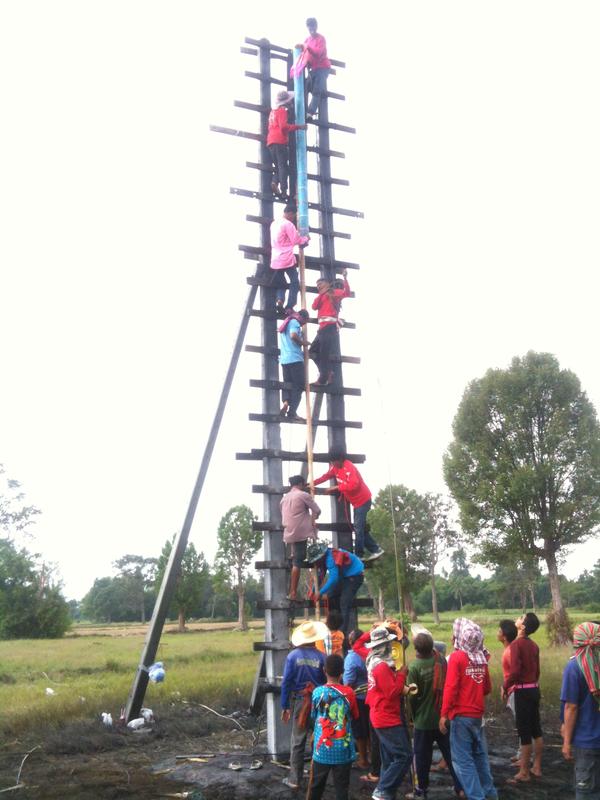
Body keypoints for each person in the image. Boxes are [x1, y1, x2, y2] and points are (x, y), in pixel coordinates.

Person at [439, 618, 497, 800]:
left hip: (461, 715)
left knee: (462, 761)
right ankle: (490, 793)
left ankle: (476, 796)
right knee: (480, 756)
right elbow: (487, 687)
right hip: (477, 715)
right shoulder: (481, 658)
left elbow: (450, 687)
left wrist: (444, 714)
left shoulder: (456, 658)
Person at [407, 631, 464, 800]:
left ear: (416, 649)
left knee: (422, 758)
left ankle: (421, 790)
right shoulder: (441, 661)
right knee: (451, 755)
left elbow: (412, 697)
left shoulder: (414, 667)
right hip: (443, 718)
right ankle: (461, 787)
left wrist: (412, 717)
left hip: (423, 721)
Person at [365, 626, 413, 800]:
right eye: (389, 644)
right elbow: (392, 692)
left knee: (389, 758)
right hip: (386, 717)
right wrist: (401, 675)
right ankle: (382, 789)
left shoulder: (374, 661)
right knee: (404, 755)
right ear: (384, 646)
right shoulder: (380, 667)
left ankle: (386, 792)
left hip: (380, 714)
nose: (391, 647)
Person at [281, 620, 328, 790]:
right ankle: (316, 779)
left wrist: (285, 706)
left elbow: (286, 682)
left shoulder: (293, 656)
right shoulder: (323, 657)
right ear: (315, 638)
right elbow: (327, 681)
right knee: (319, 738)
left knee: (298, 741)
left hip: (300, 702)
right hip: (319, 701)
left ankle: (295, 779)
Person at [313, 448, 384, 561]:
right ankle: (375, 549)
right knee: (359, 528)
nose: (332, 464)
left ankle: (359, 555)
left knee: (358, 528)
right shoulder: (335, 468)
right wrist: (312, 483)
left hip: (363, 500)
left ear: (340, 459)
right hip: (356, 503)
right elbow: (325, 476)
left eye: (334, 461)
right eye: (331, 462)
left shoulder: (349, 467)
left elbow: (354, 485)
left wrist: (337, 487)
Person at [309, 654, 359, 800]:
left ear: (324, 670)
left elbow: (314, 716)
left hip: (322, 748)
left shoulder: (317, 692)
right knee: (342, 788)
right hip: (343, 748)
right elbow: (355, 715)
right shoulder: (349, 693)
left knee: (316, 786)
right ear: (342, 672)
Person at [560, 621, 600, 799]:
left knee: (586, 791)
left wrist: (566, 742)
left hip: (587, 740)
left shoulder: (574, 666)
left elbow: (571, 707)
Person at [504, 612, 543, 783]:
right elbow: (537, 671)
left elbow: (514, 672)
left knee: (524, 733)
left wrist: (505, 686)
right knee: (536, 730)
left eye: (520, 617)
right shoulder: (534, 645)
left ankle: (524, 772)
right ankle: (537, 767)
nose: (517, 619)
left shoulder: (516, 645)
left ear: (523, 626)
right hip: (534, 689)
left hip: (523, 692)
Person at [306, 541, 364, 641]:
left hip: (354, 576)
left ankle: (341, 635)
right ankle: (333, 627)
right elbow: (320, 575)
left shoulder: (330, 558)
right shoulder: (323, 561)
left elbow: (334, 578)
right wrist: (314, 590)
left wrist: (320, 592)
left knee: (344, 603)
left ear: (321, 556)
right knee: (331, 596)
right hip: (344, 577)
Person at [281, 475, 321, 601]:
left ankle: (292, 591)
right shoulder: (303, 495)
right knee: (298, 561)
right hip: (300, 532)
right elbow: (317, 510)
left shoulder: (284, 498)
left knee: (295, 557)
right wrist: (313, 518)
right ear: (300, 484)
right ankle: (293, 593)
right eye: (304, 484)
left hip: (288, 532)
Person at [309, 273, 350, 386]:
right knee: (312, 351)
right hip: (322, 329)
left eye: (320, 284)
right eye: (317, 285)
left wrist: (345, 279)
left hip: (329, 327)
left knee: (324, 354)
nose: (318, 286)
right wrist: (322, 293)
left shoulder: (333, 293)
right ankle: (327, 373)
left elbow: (346, 293)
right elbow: (314, 306)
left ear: (327, 284)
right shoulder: (321, 296)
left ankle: (323, 379)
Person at [270, 204, 309, 316]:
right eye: (294, 216)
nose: (293, 218)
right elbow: (296, 240)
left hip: (275, 259)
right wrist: (305, 239)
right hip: (286, 258)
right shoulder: (288, 224)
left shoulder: (274, 223)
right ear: (290, 214)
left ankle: (280, 300)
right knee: (294, 281)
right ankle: (290, 306)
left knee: (281, 283)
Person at [267, 90, 306, 199]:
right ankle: (284, 191)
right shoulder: (282, 111)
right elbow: (283, 127)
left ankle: (275, 182)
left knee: (279, 167)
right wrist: (299, 127)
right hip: (280, 141)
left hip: (270, 142)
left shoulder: (272, 112)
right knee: (283, 166)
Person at [343, 629, 370, 770]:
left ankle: (363, 760)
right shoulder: (371, 653)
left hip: (359, 699)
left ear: (351, 642)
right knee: (371, 729)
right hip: (372, 696)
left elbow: (348, 683)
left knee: (360, 731)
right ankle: (374, 757)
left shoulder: (352, 658)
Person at [278, 309, 310, 422]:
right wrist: (303, 343)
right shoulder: (295, 322)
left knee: (287, 384)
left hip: (284, 360)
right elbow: (293, 335)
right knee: (299, 385)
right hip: (295, 359)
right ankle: (292, 412)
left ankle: (286, 402)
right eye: (305, 322)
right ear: (303, 318)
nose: (303, 325)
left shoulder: (286, 322)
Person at [497, 619, 520, 765]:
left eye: (499, 631)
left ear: (504, 636)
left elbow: (514, 673)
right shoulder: (509, 649)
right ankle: (521, 753)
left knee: (522, 724)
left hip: (516, 691)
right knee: (520, 723)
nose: (497, 633)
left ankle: (525, 756)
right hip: (513, 690)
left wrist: (505, 687)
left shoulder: (510, 651)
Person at [300, 18, 331, 119]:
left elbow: (318, 53)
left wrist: (307, 48)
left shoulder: (321, 39)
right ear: (307, 28)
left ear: (316, 27)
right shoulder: (307, 40)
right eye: (310, 28)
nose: (312, 30)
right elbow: (304, 54)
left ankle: (310, 112)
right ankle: (302, 111)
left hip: (322, 68)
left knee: (317, 90)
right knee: (306, 87)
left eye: (313, 27)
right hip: (313, 69)